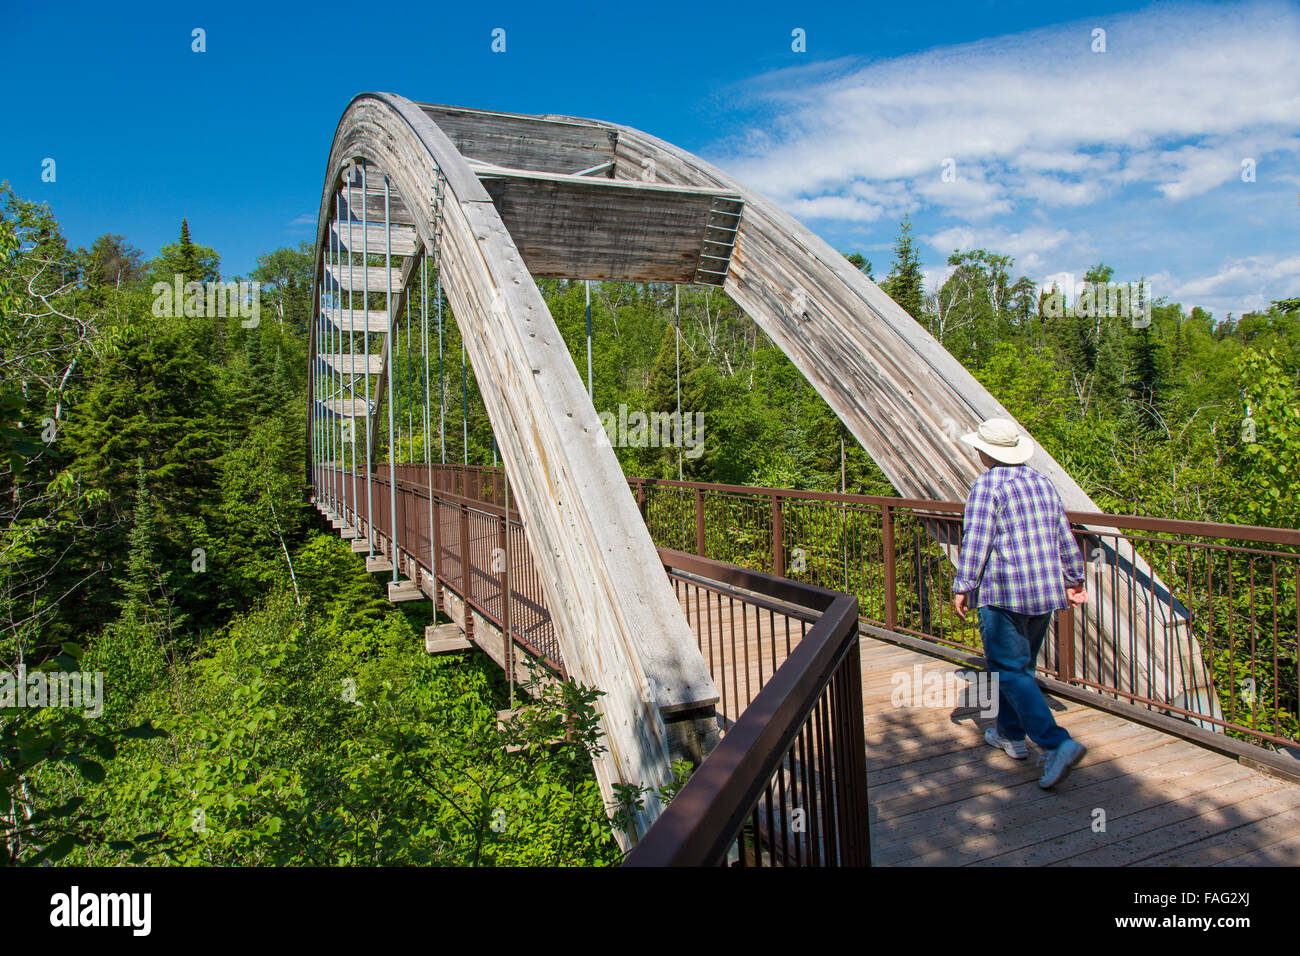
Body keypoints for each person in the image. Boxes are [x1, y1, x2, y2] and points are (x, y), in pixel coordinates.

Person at [950, 417, 1089, 789]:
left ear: (986, 451)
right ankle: (1010, 734)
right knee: (1021, 668)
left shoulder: (987, 486)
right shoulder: (1041, 483)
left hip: (1004, 593)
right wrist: (1075, 578)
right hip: (1044, 592)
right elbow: (1063, 533)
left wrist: (963, 585)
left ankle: (1056, 743)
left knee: (1007, 670)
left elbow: (976, 539)